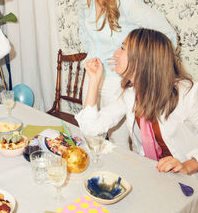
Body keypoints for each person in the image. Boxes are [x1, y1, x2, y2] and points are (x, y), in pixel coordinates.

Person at [73, 0, 177, 149]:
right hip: (92, 78)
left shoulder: (127, 1)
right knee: (90, 138)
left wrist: (142, 67)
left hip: (118, 83)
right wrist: (91, 58)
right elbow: (85, 36)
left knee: (117, 145)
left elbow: (168, 36)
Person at [76, 28, 198, 175]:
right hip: (153, 173)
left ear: (142, 58)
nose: (115, 53)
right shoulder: (131, 94)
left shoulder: (187, 93)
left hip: (188, 180)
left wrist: (187, 166)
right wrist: (94, 81)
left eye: (122, 48)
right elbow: (90, 129)